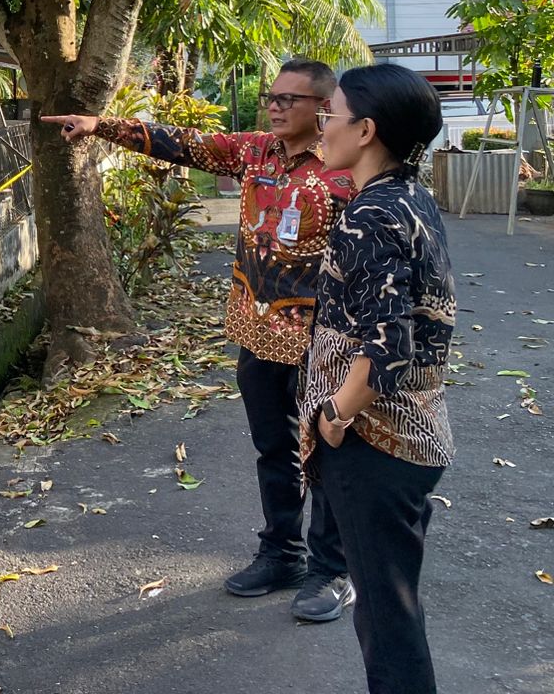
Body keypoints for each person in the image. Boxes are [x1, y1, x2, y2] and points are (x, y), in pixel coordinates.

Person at [41, 59, 353, 621]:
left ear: (323, 107)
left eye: (291, 99)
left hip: (323, 343)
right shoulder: (254, 151)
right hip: (257, 331)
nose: (276, 106)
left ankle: (332, 570)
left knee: (326, 454)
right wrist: (101, 125)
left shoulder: (345, 170)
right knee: (273, 449)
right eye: (272, 97)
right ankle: (283, 552)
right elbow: (184, 143)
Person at [303, 64, 452, 694]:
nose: (321, 126)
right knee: (392, 602)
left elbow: (387, 346)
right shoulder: (410, 196)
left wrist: (334, 418)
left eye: (329, 113)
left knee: (388, 619)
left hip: (375, 441)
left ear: (365, 130)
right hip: (417, 434)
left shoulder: (368, 216)